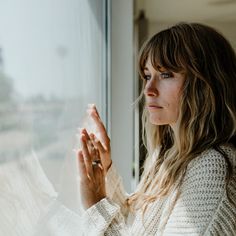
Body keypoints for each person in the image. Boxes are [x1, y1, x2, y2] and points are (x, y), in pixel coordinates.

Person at [77, 23, 236, 235]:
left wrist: (96, 206)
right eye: (147, 75)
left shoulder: (212, 167)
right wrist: (106, 171)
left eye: (166, 74)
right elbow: (137, 228)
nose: (149, 90)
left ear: (204, 83)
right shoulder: (167, 158)